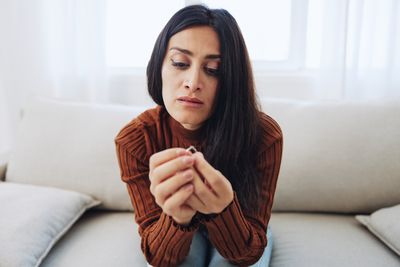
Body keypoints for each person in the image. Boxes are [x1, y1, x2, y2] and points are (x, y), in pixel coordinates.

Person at [115, 4, 283, 267]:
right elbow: (159, 257)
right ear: (159, 66)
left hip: (242, 231)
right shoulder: (135, 139)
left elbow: (248, 252)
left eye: (213, 69)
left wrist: (224, 208)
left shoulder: (263, 136)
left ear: (232, 79)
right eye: (180, 63)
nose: (193, 82)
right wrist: (176, 218)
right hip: (170, 230)